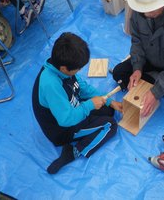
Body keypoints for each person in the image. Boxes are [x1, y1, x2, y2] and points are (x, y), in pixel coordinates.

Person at [32, 33, 122, 174]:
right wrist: (89, 105)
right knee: (110, 125)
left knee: (108, 110)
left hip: (71, 110)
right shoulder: (51, 84)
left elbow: (82, 88)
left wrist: (109, 101)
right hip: (61, 130)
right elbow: (65, 120)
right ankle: (74, 152)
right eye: (78, 68)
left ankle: (90, 122)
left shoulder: (62, 67)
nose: (79, 71)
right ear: (64, 68)